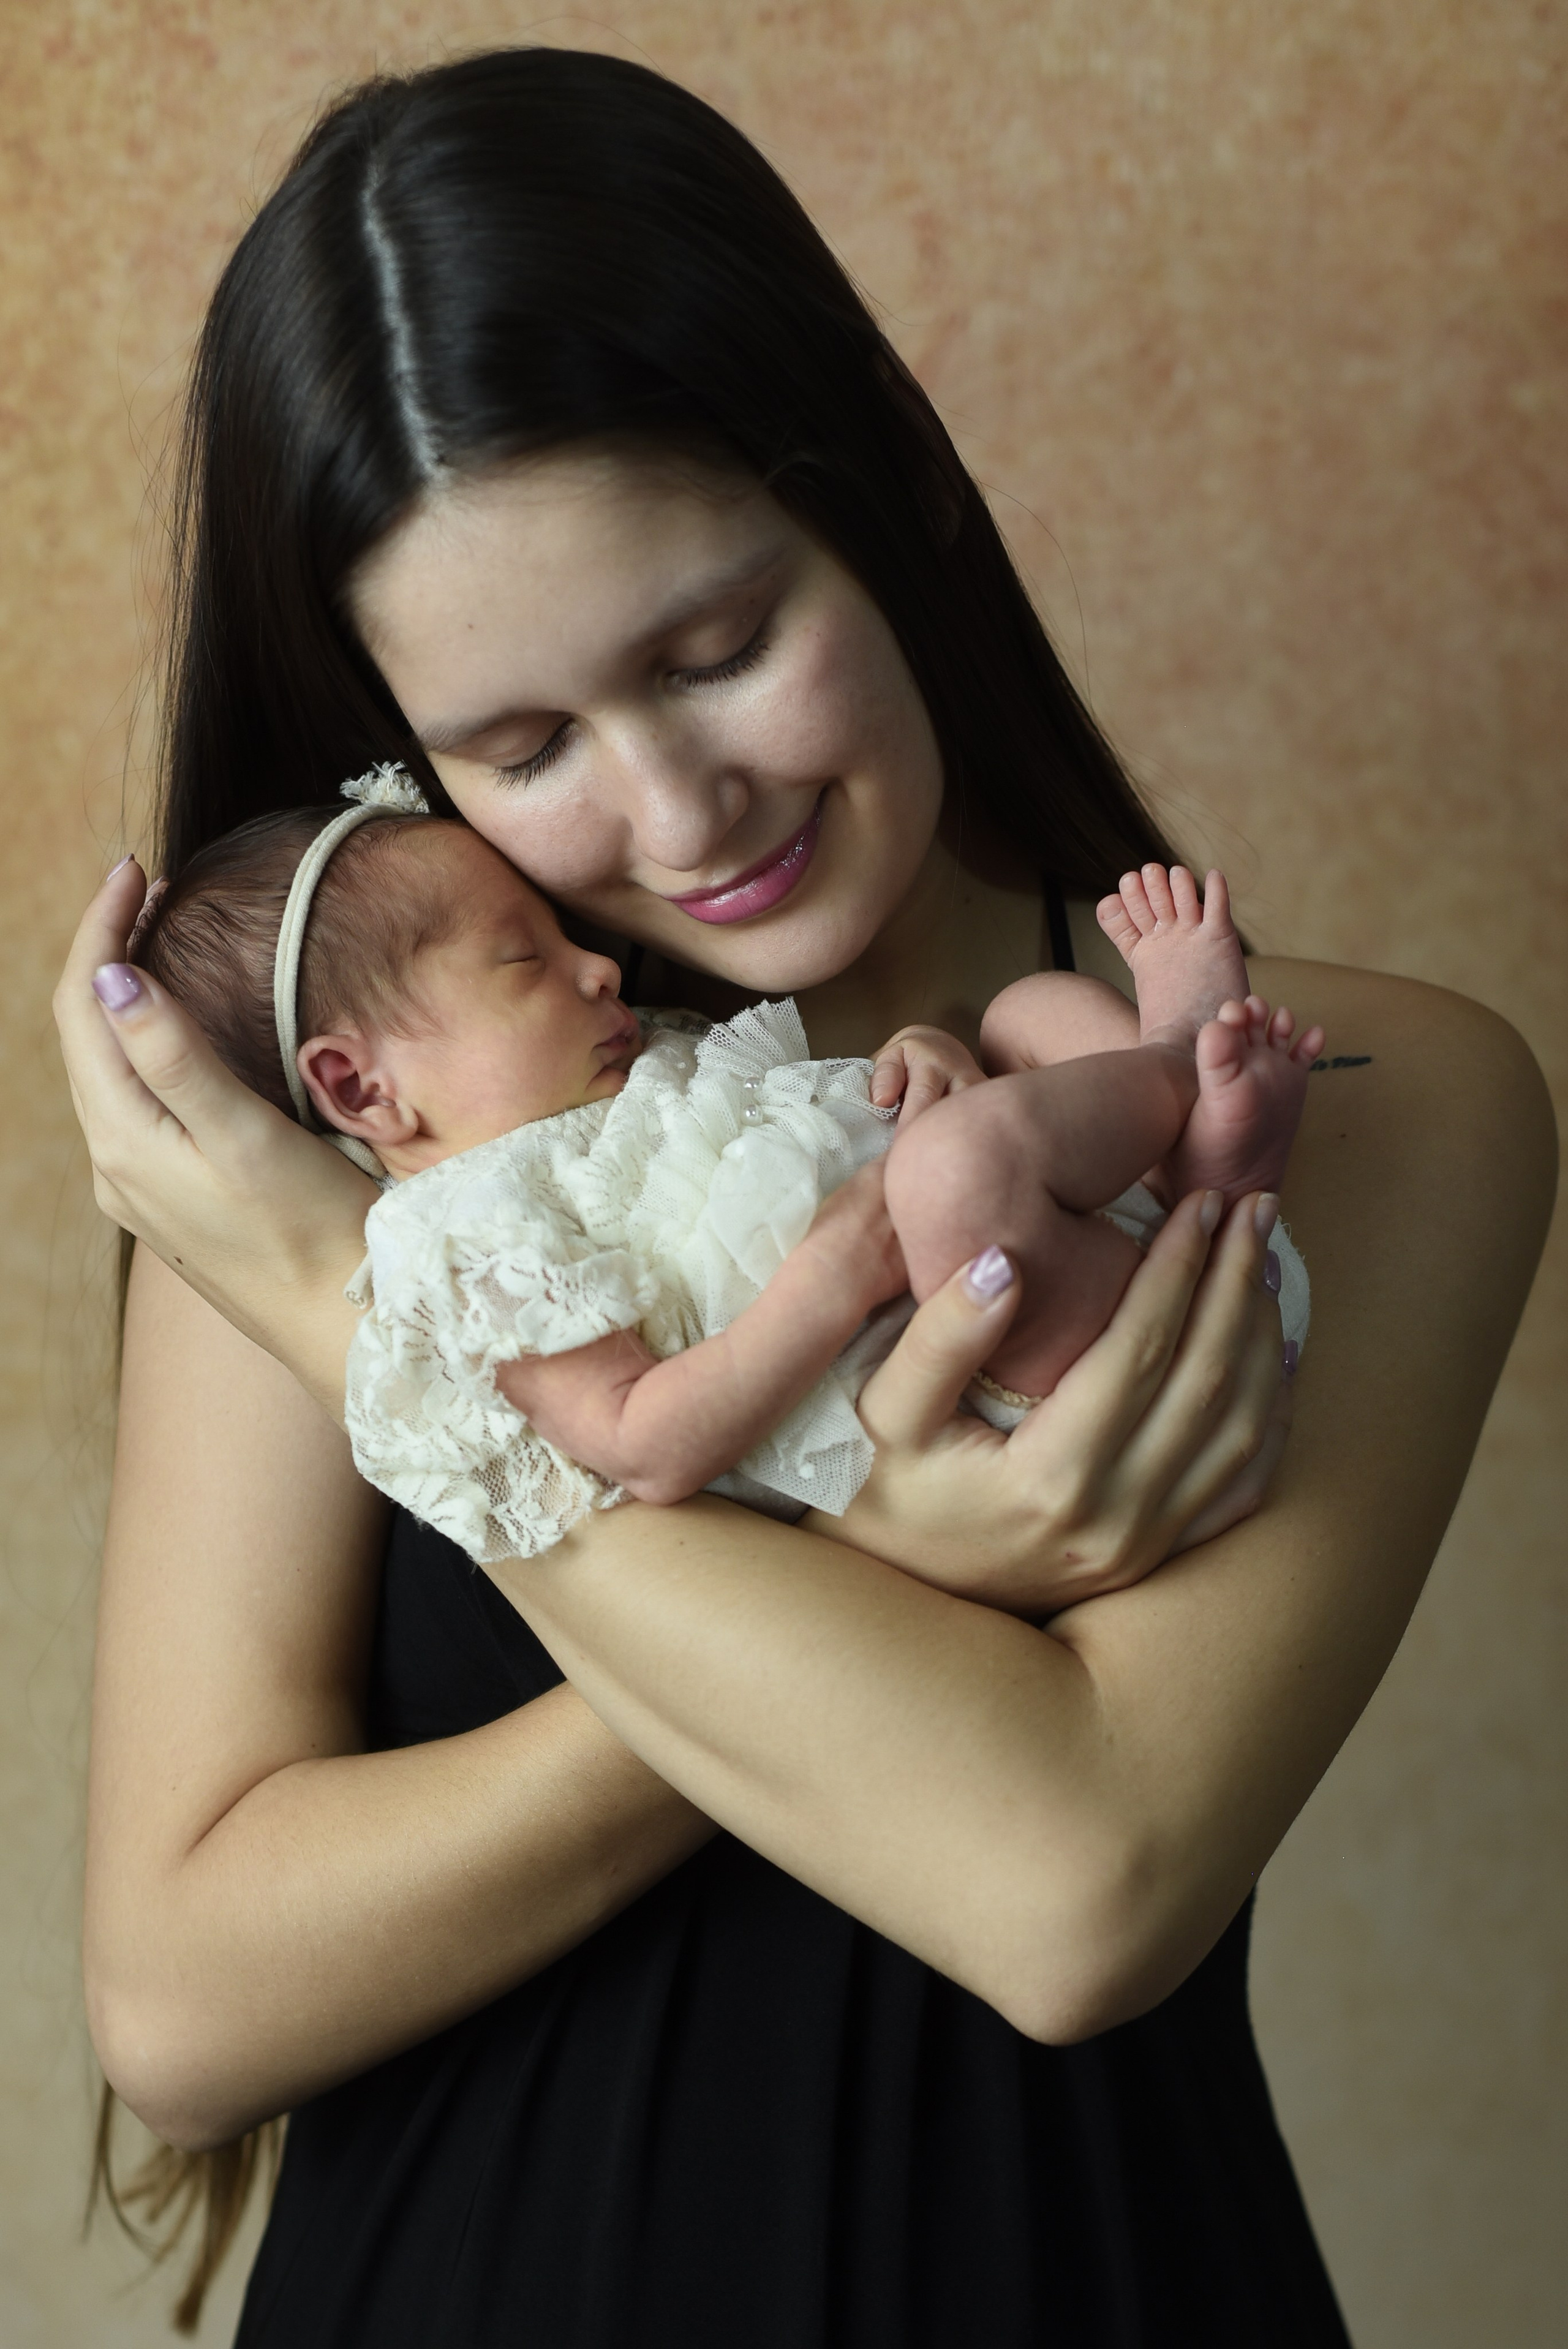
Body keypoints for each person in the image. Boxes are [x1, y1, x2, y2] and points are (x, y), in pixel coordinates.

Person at [56, 47, 1553, 2349]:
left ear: (894, 492)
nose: (674, 813)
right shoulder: (396, 1163)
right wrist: (866, 1562)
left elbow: (1075, 1882)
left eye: (717, 643)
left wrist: (353, 1326)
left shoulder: (1379, 1100)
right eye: (526, 748)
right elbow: (182, 1992)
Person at [133, 791, 1318, 1566]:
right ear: (359, 1089)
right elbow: (641, 1440)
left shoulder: (638, 1067)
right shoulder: (469, 1238)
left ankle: (1199, 1156)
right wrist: (840, 1272)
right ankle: (1186, 1072)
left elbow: (827, 1114)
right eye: (522, 960)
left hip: (1060, 1243)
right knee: (960, 1167)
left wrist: (922, 1062)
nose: (597, 966)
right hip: (1016, 1383)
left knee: (1022, 1016)